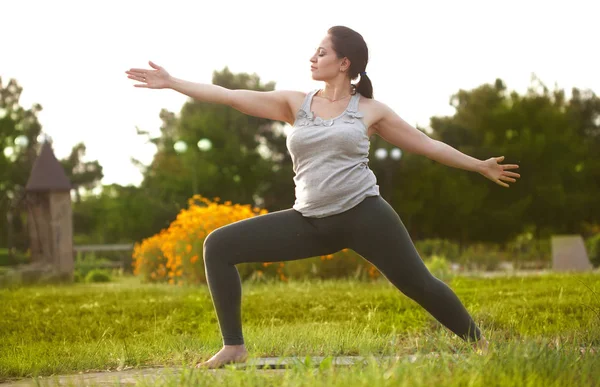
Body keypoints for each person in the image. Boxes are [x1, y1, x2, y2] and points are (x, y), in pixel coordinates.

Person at [126, 25, 520, 369]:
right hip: (310, 221)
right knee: (218, 245)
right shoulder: (296, 104)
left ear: (344, 62)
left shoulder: (369, 111)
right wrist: (174, 82)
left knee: (419, 284)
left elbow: (427, 145)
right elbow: (230, 95)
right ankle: (233, 347)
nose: (312, 57)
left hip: (364, 215)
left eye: (321, 51)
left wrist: (479, 165)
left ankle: (482, 346)